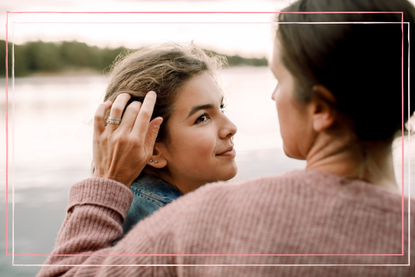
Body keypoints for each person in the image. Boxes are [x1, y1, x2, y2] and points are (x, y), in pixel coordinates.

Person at [37, 0, 415, 276]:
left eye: (279, 79)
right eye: (203, 116)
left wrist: (104, 184)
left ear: (320, 108)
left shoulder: (212, 219)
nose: (273, 96)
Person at [99, 44, 238, 238]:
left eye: (221, 108)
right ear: (153, 149)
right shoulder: (174, 230)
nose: (231, 128)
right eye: (202, 117)